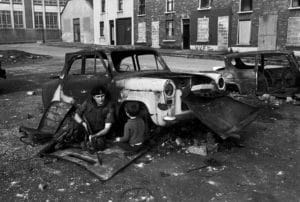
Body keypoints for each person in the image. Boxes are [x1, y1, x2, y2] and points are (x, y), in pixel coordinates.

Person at [74, 85, 114, 151]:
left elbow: (107, 128)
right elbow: (76, 115)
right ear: (94, 97)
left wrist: (95, 136)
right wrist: (83, 123)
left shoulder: (109, 107)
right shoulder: (87, 103)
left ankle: (85, 144)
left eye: (102, 96)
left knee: (100, 145)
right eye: (98, 97)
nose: (101, 99)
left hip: (99, 132)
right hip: (85, 129)